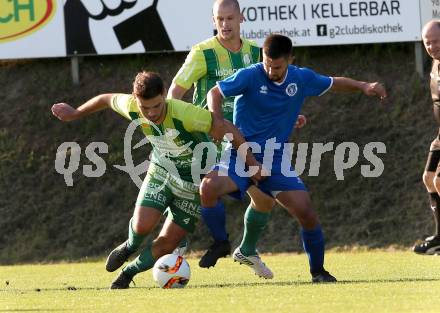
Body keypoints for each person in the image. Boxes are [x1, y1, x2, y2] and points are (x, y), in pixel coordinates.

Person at [200, 34, 387, 282]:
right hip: (240, 154)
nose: (270, 70)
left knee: (306, 213)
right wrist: (216, 119)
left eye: (276, 67)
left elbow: (333, 83)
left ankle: (318, 272)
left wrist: (363, 86)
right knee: (209, 187)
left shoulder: (301, 78)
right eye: (267, 64)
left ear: (290, 59)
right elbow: (215, 92)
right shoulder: (250, 75)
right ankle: (221, 242)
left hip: (275, 160)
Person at [51, 71, 262, 289]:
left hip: (194, 184)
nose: (151, 113)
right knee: (142, 226)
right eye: (145, 108)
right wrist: (75, 113)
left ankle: (128, 273)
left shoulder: (185, 114)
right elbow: (105, 99)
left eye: (156, 106)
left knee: (167, 243)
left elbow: (227, 128)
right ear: (135, 99)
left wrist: (252, 162)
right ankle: (130, 245)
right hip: (162, 172)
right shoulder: (131, 106)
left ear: (164, 94)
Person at [167, 0, 273, 268]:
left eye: (229, 18)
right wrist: (181, 125)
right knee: (189, 191)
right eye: (219, 19)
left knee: (265, 199)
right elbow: (174, 94)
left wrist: (290, 115)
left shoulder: (254, 52)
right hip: (208, 138)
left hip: (244, 138)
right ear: (213, 21)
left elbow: (268, 94)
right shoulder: (202, 52)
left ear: (241, 18)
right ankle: (179, 246)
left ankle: (247, 249)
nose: (224, 25)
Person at [414, 20, 440, 254]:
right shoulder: (435, 63)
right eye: (427, 42)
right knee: (429, 177)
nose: (431, 46)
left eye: (436, 41)